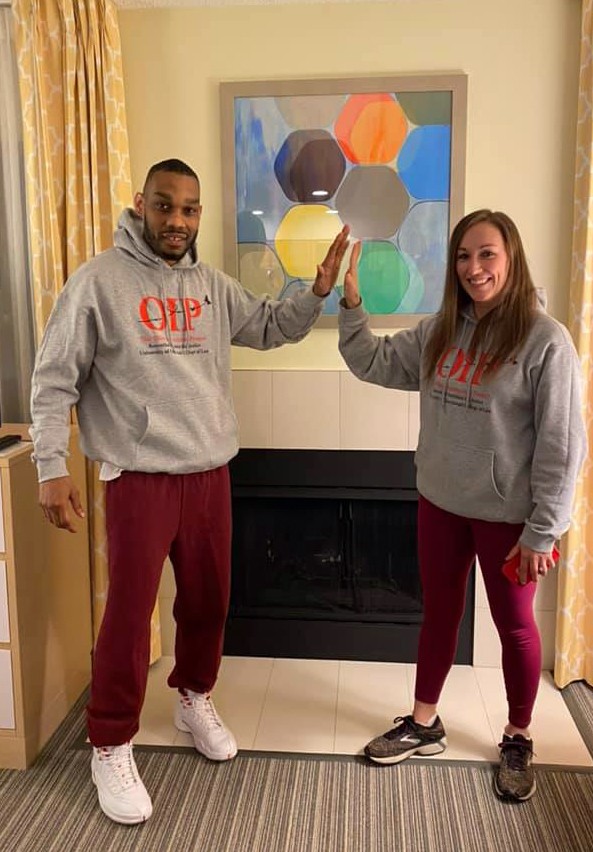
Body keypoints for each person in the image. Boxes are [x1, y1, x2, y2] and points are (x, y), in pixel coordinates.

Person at [29, 158, 350, 825]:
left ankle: (193, 697)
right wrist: (50, 467)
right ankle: (109, 741)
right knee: (128, 616)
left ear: (199, 214)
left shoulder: (210, 286)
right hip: (138, 477)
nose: (177, 219)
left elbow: (269, 326)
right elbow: (54, 377)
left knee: (208, 602)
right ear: (141, 204)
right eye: (165, 205)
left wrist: (315, 293)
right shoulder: (97, 283)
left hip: (208, 474)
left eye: (189, 208)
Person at [337, 209, 586, 802]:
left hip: (509, 519)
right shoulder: (440, 331)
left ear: (511, 256)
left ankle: (518, 735)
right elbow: (372, 361)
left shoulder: (546, 341)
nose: (474, 268)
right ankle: (424, 723)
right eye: (463, 256)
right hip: (441, 503)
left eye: (487, 254)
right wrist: (351, 305)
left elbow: (562, 445)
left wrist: (543, 531)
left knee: (515, 627)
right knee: (440, 616)